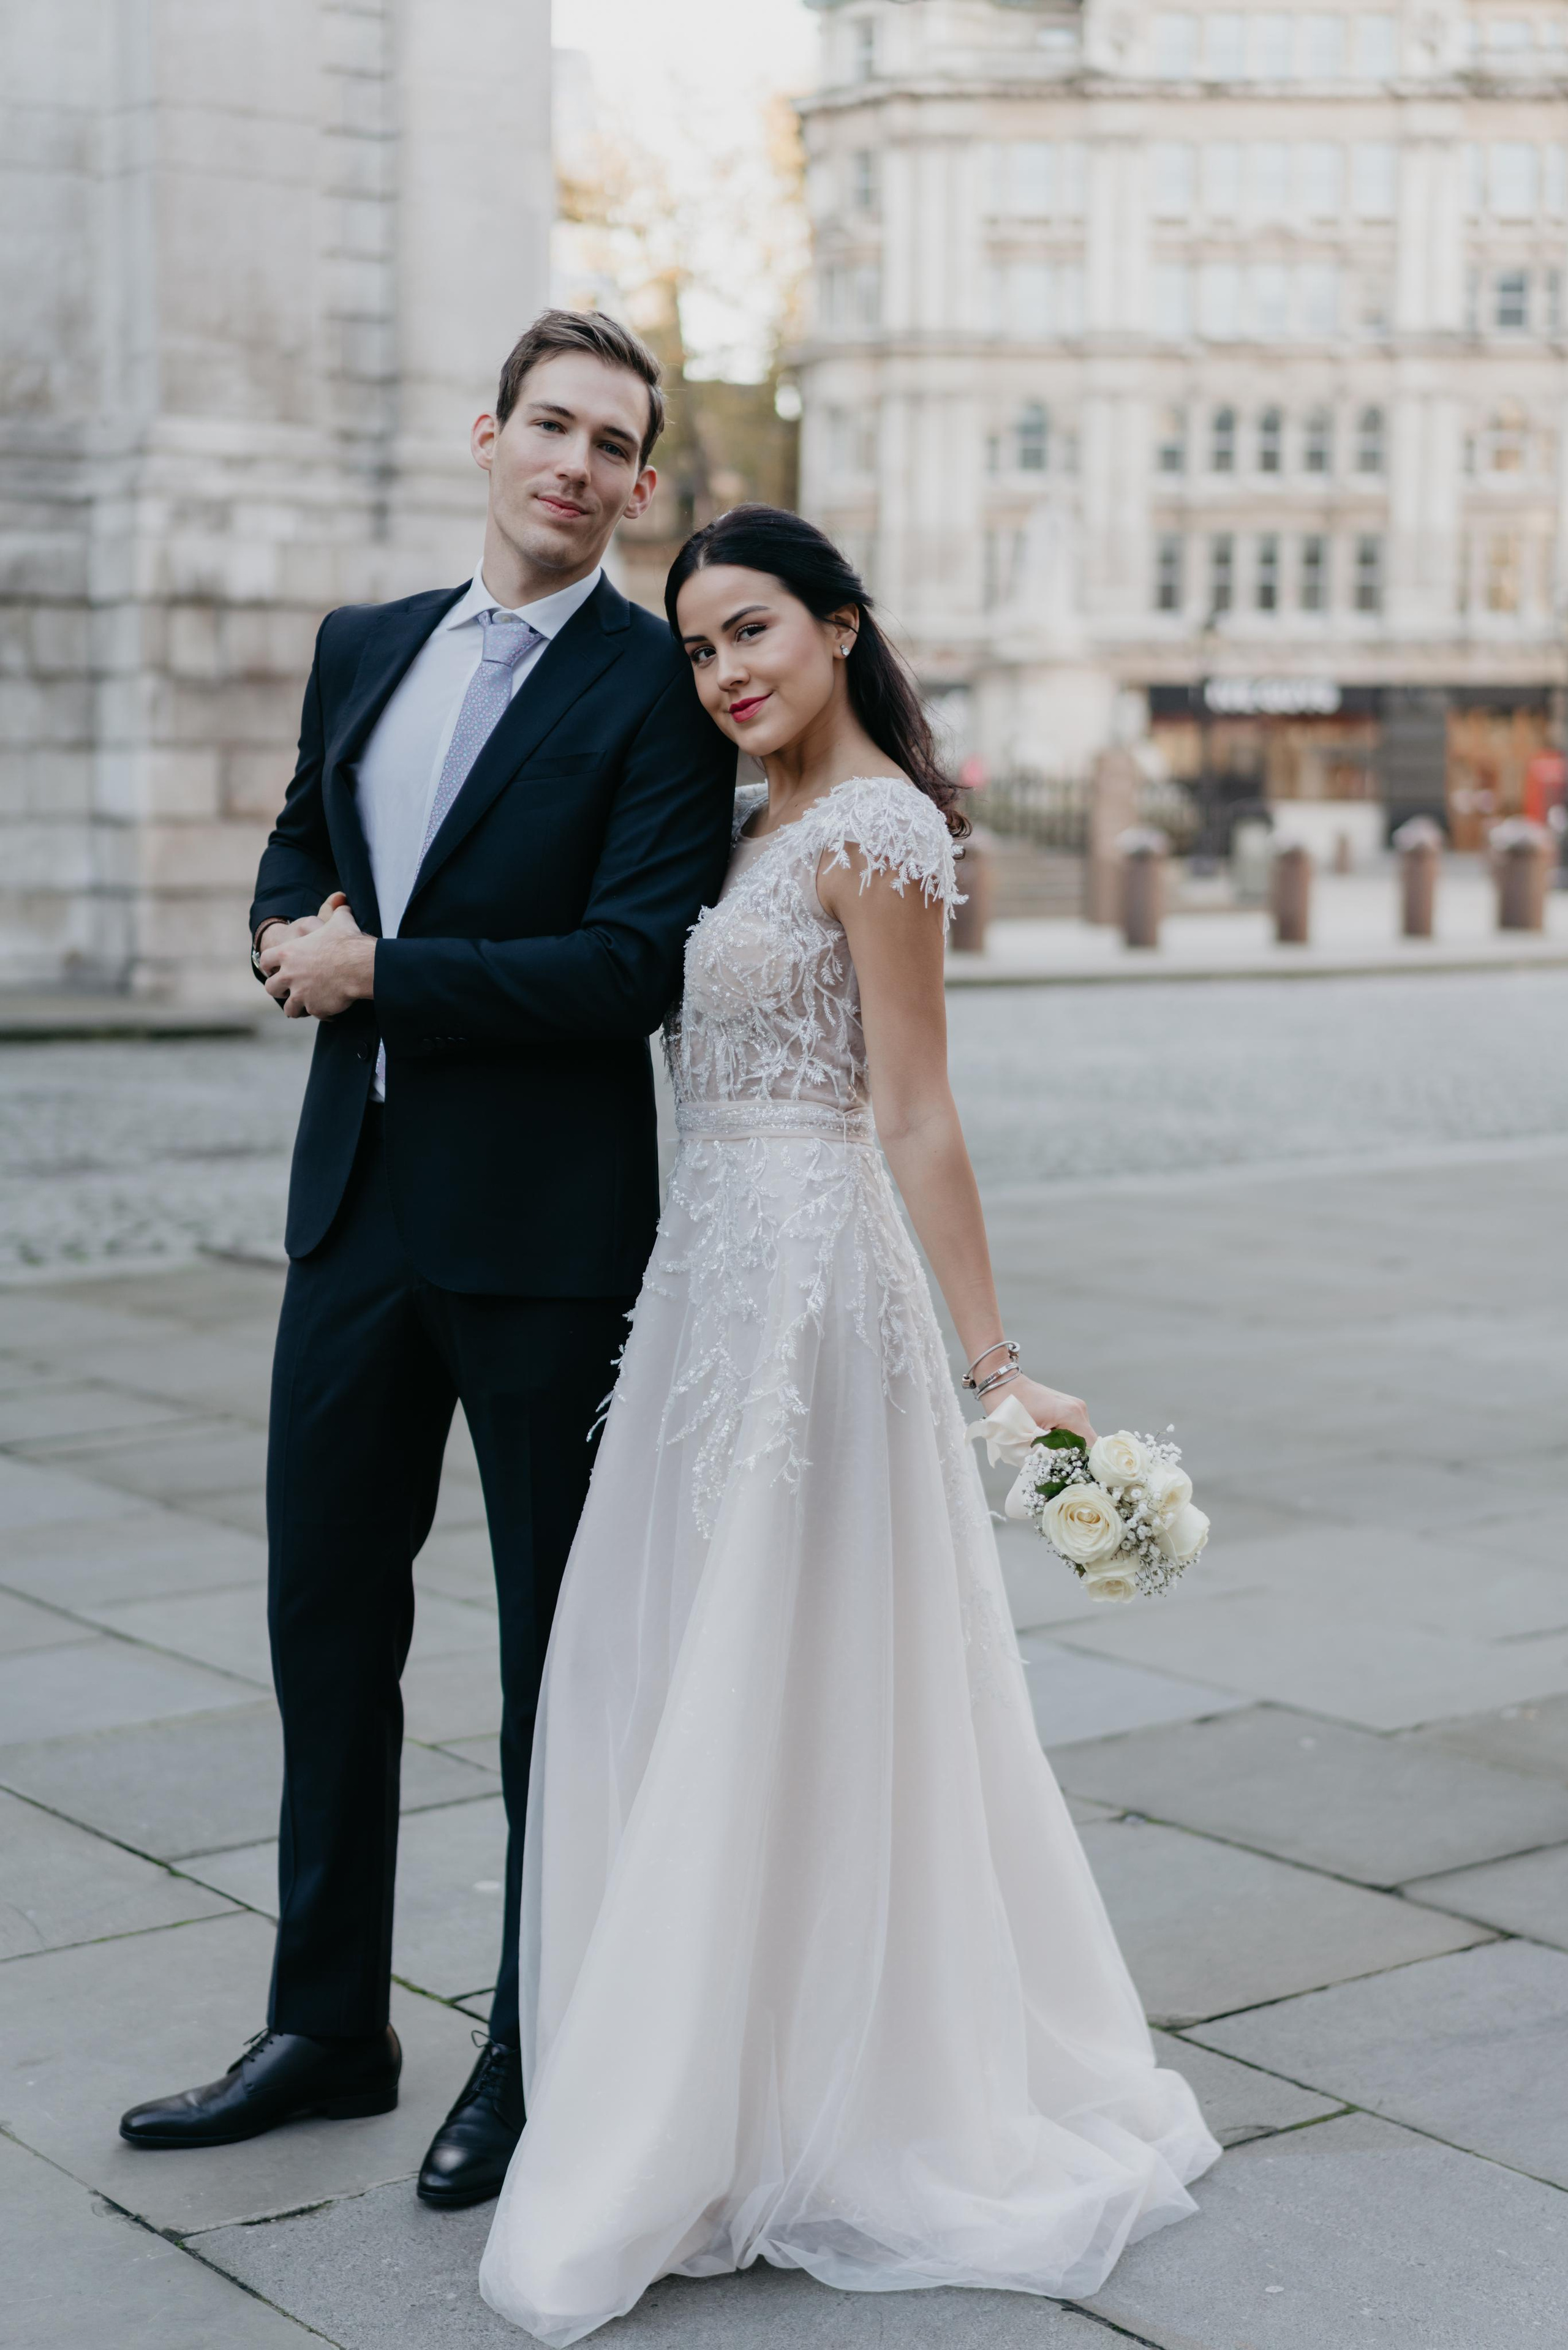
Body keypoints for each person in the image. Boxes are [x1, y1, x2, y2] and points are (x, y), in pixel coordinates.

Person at [478, 507, 1220, 2344]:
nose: (726, 672)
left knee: (771, 1669)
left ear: (838, 626)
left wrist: (996, 1367)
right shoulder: (757, 826)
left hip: (813, 1290)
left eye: (754, 633)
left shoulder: (880, 829)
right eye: (700, 649)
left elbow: (916, 1115)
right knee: (689, 1666)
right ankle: (716, 2068)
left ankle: (802, 2094)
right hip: (708, 1283)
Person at [116, 312, 736, 2209]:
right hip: (353, 1213)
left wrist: (380, 970)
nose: (571, 461)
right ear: (486, 435)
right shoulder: (363, 647)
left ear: (642, 487)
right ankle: (327, 2025)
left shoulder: (655, 693)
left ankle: (534, 2051)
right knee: (326, 1627)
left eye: (610, 443)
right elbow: (298, 856)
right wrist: (283, 937)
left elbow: (629, 968)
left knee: (555, 1657)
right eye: (546, 422)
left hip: (550, 1241)